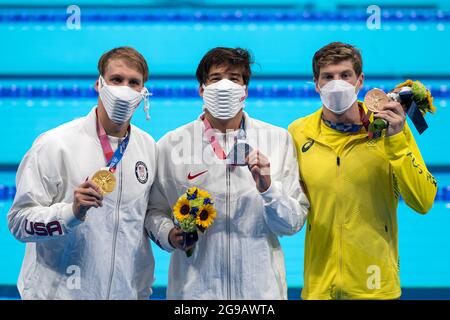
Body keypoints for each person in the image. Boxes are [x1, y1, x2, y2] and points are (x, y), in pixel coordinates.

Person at [146, 47, 309, 299]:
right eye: (215, 78)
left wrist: (268, 189)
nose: (224, 85)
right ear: (202, 89)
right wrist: (168, 234)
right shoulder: (171, 144)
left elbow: (291, 224)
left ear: (245, 91)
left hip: (260, 295)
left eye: (234, 78)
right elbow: (153, 211)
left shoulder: (277, 140)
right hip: (194, 295)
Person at [288, 42, 438, 300]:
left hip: (375, 287)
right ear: (316, 84)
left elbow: (424, 201)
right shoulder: (298, 133)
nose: (337, 83)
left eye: (345, 75)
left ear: (360, 81)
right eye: (328, 77)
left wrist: (397, 141)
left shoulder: (391, 130)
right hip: (319, 288)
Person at [8, 47, 157, 299]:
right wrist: (71, 212)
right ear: (99, 84)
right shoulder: (55, 144)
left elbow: (139, 227)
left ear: (143, 93)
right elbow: (19, 222)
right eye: (116, 80)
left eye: (134, 83)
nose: (124, 89)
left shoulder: (148, 148)